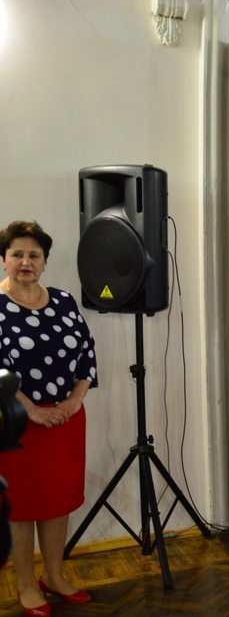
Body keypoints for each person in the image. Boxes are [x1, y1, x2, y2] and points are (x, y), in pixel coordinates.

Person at [0, 221, 98, 616]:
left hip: (64, 421)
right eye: (17, 254)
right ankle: (26, 584)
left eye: (34, 255)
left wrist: (75, 400)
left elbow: (86, 351)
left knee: (58, 502)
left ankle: (53, 576)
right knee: (21, 506)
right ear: (4, 260)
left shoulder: (63, 300)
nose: (26, 262)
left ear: (44, 262)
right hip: (17, 424)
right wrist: (33, 410)